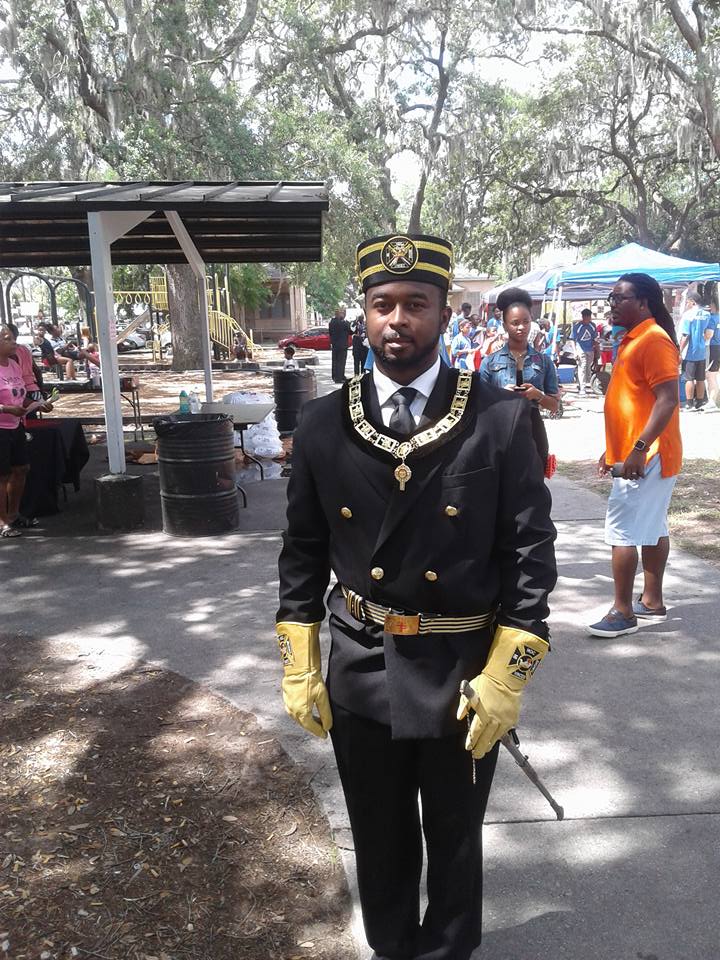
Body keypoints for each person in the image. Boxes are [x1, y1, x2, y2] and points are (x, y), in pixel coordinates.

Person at [276, 232, 557, 960]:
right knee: (378, 835)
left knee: (456, 841)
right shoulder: (322, 423)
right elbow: (303, 551)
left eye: (415, 303)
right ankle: (394, 947)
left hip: (462, 669)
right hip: (361, 659)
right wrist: (300, 659)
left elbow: (530, 557)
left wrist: (509, 674)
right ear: (364, 314)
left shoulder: (500, 418)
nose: (396, 319)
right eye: (382, 304)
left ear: (444, 313)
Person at [588, 273, 681, 638]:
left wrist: (639, 449)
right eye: (610, 298)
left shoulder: (653, 339)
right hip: (638, 451)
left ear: (643, 302)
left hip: (648, 455)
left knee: (622, 530)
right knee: (653, 526)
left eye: (619, 298)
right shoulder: (633, 339)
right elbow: (633, 402)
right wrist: (612, 448)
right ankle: (652, 601)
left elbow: (668, 400)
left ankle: (623, 611)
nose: (611, 305)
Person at [479, 287, 560, 468]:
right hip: (499, 431)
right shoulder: (489, 362)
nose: (521, 327)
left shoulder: (544, 361)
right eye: (515, 323)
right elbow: (478, 406)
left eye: (526, 321)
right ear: (505, 325)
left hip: (533, 430)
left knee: (533, 481)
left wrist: (538, 395)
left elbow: (554, 406)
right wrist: (500, 395)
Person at [0, 324, 52, 537]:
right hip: (1, 428)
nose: (13, 342)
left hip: (16, 425)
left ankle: (14, 515)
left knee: (21, 468)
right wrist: (6, 409)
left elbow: (21, 395)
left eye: (12, 337)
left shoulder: (13, 365)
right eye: (6, 338)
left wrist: (38, 404)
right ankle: (3, 521)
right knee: (2, 475)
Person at [678, 291, 712, 411]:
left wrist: (679, 350)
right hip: (702, 351)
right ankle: (700, 402)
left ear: (692, 302)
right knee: (700, 378)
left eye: (687, 301)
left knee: (689, 378)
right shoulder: (707, 315)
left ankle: (689, 404)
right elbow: (708, 333)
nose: (686, 304)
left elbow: (686, 335)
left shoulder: (688, 315)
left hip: (690, 352)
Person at [570, 308, 598, 393]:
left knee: (588, 368)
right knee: (582, 366)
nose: (587, 320)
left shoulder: (592, 325)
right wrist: (575, 352)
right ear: (583, 317)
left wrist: (597, 350)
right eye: (586, 318)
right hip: (580, 349)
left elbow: (595, 339)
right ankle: (582, 388)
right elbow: (572, 339)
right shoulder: (577, 327)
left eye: (589, 318)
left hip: (590, 350)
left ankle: (584, 383)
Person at [328, 305, 351, 383]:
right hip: (342, 345)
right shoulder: (343, 323)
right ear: (339, 314)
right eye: (343, 313)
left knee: (335, 361)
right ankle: (339, 378)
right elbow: (350, 330)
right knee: (341, 362)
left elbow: (330, 333)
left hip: (335, 345)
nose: (344, 315)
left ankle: (336, 376)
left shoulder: (331, 322)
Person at [705, 298, 720, 408]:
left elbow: (708, 335)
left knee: (711, 375)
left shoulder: (712, 318)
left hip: (714, 347)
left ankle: (712, 401)